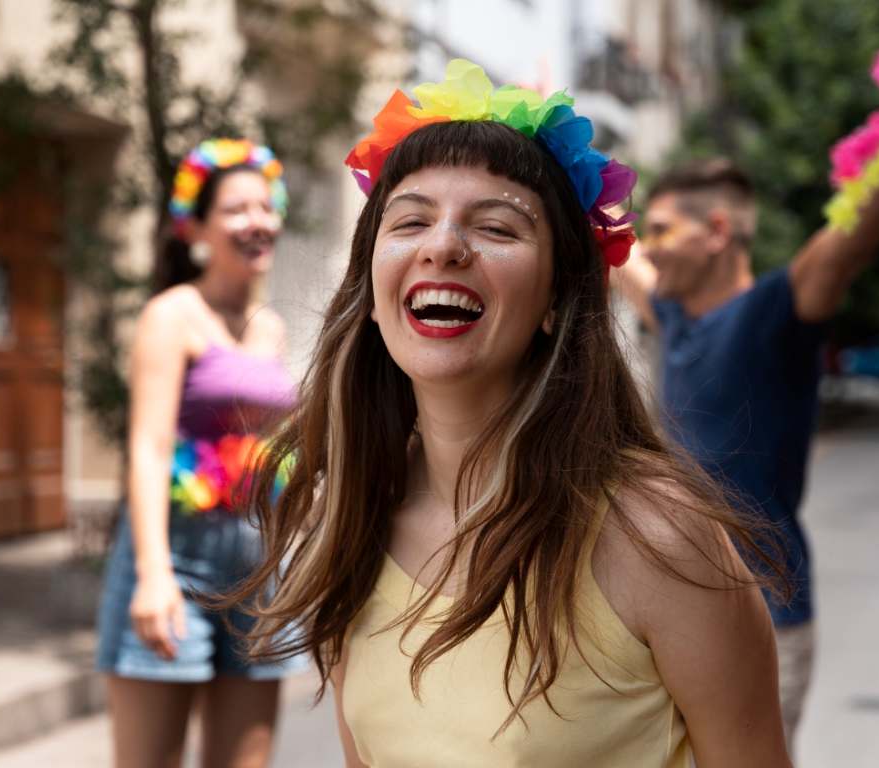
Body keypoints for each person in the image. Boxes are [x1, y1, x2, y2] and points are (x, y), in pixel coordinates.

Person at [229, 59, 793, 766]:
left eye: (496, 227)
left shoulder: (659, 538)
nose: (443, 246)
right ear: (372, 289)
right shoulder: (351, 513)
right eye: (410, 221)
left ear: (558, 299)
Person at [611, 23, 879, 750]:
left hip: (769, 614)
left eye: (663, 229)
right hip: (669, 611)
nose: (649, 243)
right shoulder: (670, 316)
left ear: (719, 232)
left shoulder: (774, 311)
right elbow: (610, 244)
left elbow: (852, 237)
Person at [94, 138, 303, 768]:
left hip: (258, 568)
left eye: (266, 208)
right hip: (177, 561)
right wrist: (154, 575)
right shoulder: (172, 315)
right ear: (197, 227)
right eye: (237, 210)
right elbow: (150, 444)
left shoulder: (271, 328)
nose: (258, 221)